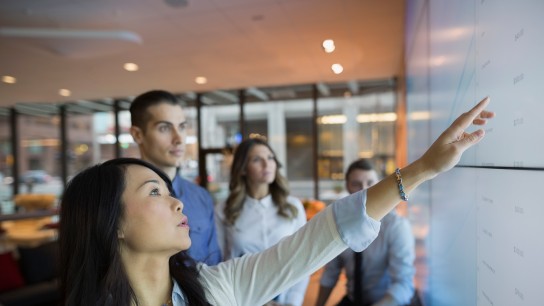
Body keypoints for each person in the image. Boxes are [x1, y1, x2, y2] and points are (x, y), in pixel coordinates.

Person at [58, 98, 494, 306]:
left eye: (172, 192)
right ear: (110, 222)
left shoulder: (214, 289)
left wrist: (423, 169)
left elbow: (322, 235)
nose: (179, 205)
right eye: (154, 193)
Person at [129, 90, 221, 265]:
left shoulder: (200, 197)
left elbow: (214, 266)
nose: (179, 139)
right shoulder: (123, 199)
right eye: (164, 128)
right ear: (138, 135)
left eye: (182, 127)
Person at [214, 137, 309, 306]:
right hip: (241, 298)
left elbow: (303, 258)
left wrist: (293, 301)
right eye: (257, 160)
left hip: (286, 299)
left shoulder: (292, 207)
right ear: (243, 169)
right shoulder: (224, 210)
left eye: (270, 158)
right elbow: (220, 262)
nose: (267, 164)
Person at [316, 159, 415, 306]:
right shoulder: (339, 224)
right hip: (352, 300)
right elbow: (331, 274)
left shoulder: (396, 226)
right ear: (347, 186)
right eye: (356, 184)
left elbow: (403, 284)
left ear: (380, 183)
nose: (364, 190)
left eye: (370, 182)